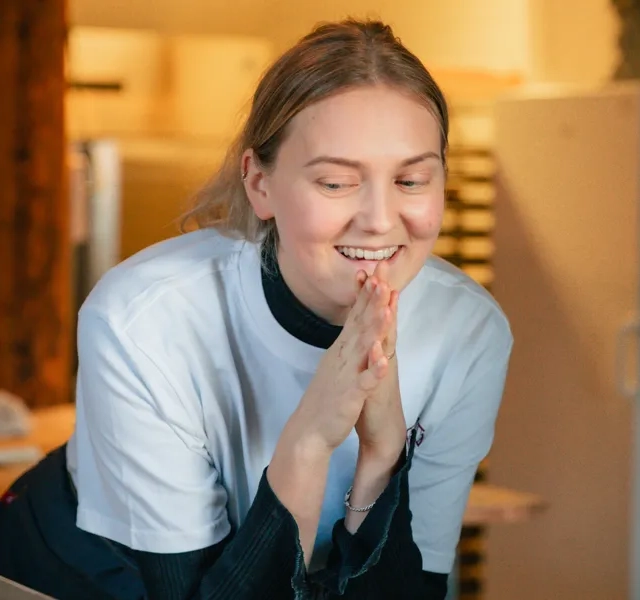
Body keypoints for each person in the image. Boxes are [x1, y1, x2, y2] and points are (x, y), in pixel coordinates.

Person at [0, 18, 512, 600]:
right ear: (259, 183)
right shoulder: (144, 318)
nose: (380, 218)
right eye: (337, 183)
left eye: (412, 179)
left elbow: (409, 586)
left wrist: (383, 457)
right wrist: (310, 438)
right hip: (85, 571)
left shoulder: (468, 334)